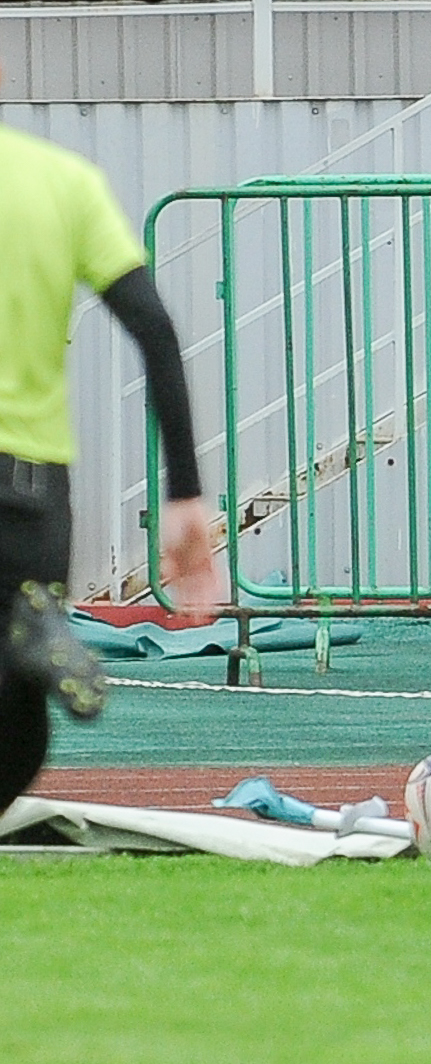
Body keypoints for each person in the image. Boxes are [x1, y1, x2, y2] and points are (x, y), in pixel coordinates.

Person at [0, 112, 220, 817]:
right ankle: (29, 632)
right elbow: (154, 331)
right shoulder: (64, 182)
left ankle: (24, 635)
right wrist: (185, 496)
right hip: (32, 490)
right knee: (17, 720)